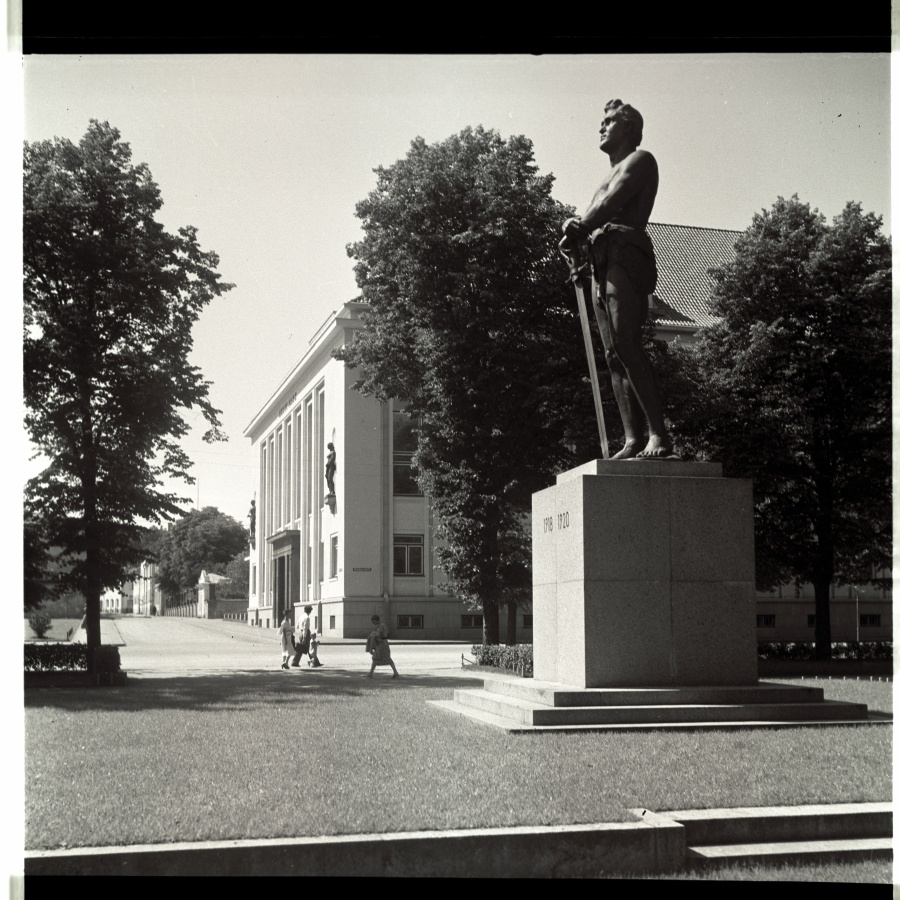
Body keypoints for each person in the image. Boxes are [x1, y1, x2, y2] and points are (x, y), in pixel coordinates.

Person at [559, 99, 676, 460]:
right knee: (612, 354)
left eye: (609, 121)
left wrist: (577, 227)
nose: (601, 126)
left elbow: (611, 203)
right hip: (602, 259)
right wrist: (575, 242)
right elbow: (597, 212)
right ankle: (632, 439)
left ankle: (659, 435)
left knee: (626, 343)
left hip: (626, 254)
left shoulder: (641, 160)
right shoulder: (603, 177)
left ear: (629, 128)